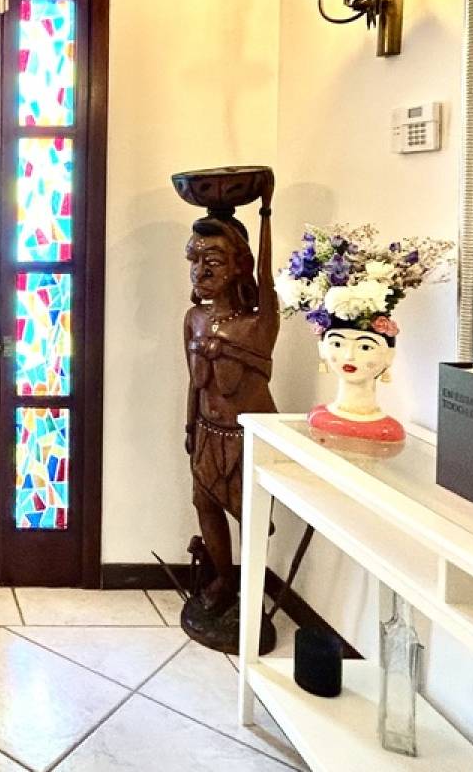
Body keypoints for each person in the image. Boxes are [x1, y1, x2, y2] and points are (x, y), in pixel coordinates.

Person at [181, 182, 278, 650]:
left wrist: (266, 212)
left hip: (246, 439)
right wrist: (188, 426)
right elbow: (192, 382)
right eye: (195, 260)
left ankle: (251, 594)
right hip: (206, 432)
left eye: (214, 262)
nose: (200, 271)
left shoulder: (258, 324)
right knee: (205, 505)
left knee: (250, 516)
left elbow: (268, 280)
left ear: (240, 265)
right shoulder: (195, 319)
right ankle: (224, 580)